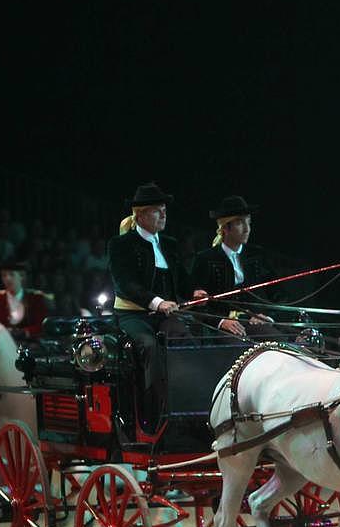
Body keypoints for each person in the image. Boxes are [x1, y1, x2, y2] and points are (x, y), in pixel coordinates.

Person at [106, 183, 238, 444]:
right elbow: (127, 284)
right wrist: (157, 302)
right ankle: (153, 415)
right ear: (141, 215)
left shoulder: (169, 244)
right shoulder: (120, 244)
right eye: (157, 211)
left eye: (164, 210)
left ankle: (193, 411)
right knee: (148, 346)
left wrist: (194, 293)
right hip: (133, 316)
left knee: (185, 341)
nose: (163, 215)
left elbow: (181, 280)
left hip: (164, 315)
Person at [191, 195, 281, 337]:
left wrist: (266, 315)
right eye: (240, 223)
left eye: (249, 223)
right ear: (225, 228)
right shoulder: (205, 258)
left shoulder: (256, 255)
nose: (247, 229)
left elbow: (279, 294)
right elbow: (196, 305)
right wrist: (221, 321)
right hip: (222, 329)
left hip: (254, 323)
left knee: (276, 341)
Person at [0, 259, 52, 340]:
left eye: (11, 275)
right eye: (4, 275)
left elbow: (42, 324)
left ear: (21, 276)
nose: (7, 278)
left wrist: (25, 332)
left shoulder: (35, 298)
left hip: (30, 344)